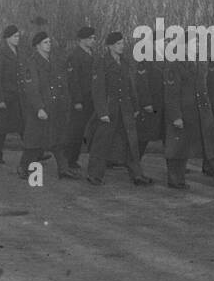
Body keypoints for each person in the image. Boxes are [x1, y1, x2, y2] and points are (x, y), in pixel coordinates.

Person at [85, 32, 153, 186]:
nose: (122, 46)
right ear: (109, 46)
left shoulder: (124, 62)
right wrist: (102, 112)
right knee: (102, 142)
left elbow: (130, 86)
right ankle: (94, 174)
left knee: (131, 142)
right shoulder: (101, 63)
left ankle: (137, 175)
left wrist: (135, 107)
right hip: (109, 109)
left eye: (122, 43)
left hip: (126, 109)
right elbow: (98, 89)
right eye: (118, 44)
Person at [18, 31, 78, 180]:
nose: (49, 44)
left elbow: (60, 82)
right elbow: (31, 88)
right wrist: (39, 108)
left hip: (55, 106)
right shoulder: (32, 62)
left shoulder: (53, 61)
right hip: (40, 108)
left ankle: (63, 169)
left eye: (49, 42)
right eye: (45, 42)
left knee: (58, 139)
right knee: (35, 142)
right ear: (37, 45)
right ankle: (23, 167)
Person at [163, 59, 214, 190]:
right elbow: (171, 94)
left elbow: (208, 85)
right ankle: (175, 180)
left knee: (212, 144)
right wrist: (176, 116)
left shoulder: (201, 62)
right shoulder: (174, 65)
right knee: (178, 147)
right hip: (184, 111)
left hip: (203, 109)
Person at [62, 26, 98, 172]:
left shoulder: (91, 53)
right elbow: (73, 80)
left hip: (92, 98)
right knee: (76, 130)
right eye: (91, 38)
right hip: (81, 99)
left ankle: (76, 159)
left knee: (91, 129)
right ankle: (69, 159)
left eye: (94, 38)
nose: (93, 40)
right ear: (82, 40)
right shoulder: (74, 56)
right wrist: (77, 101)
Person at [0, 24, 24, 164]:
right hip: (4, 97)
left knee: (24, 125)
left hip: (16, 96)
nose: (18, 39)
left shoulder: (18, 52)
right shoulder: (1, 54)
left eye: (18, 36)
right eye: (15, 36)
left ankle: (35, 153)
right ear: (7, 38)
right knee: (0, 129)